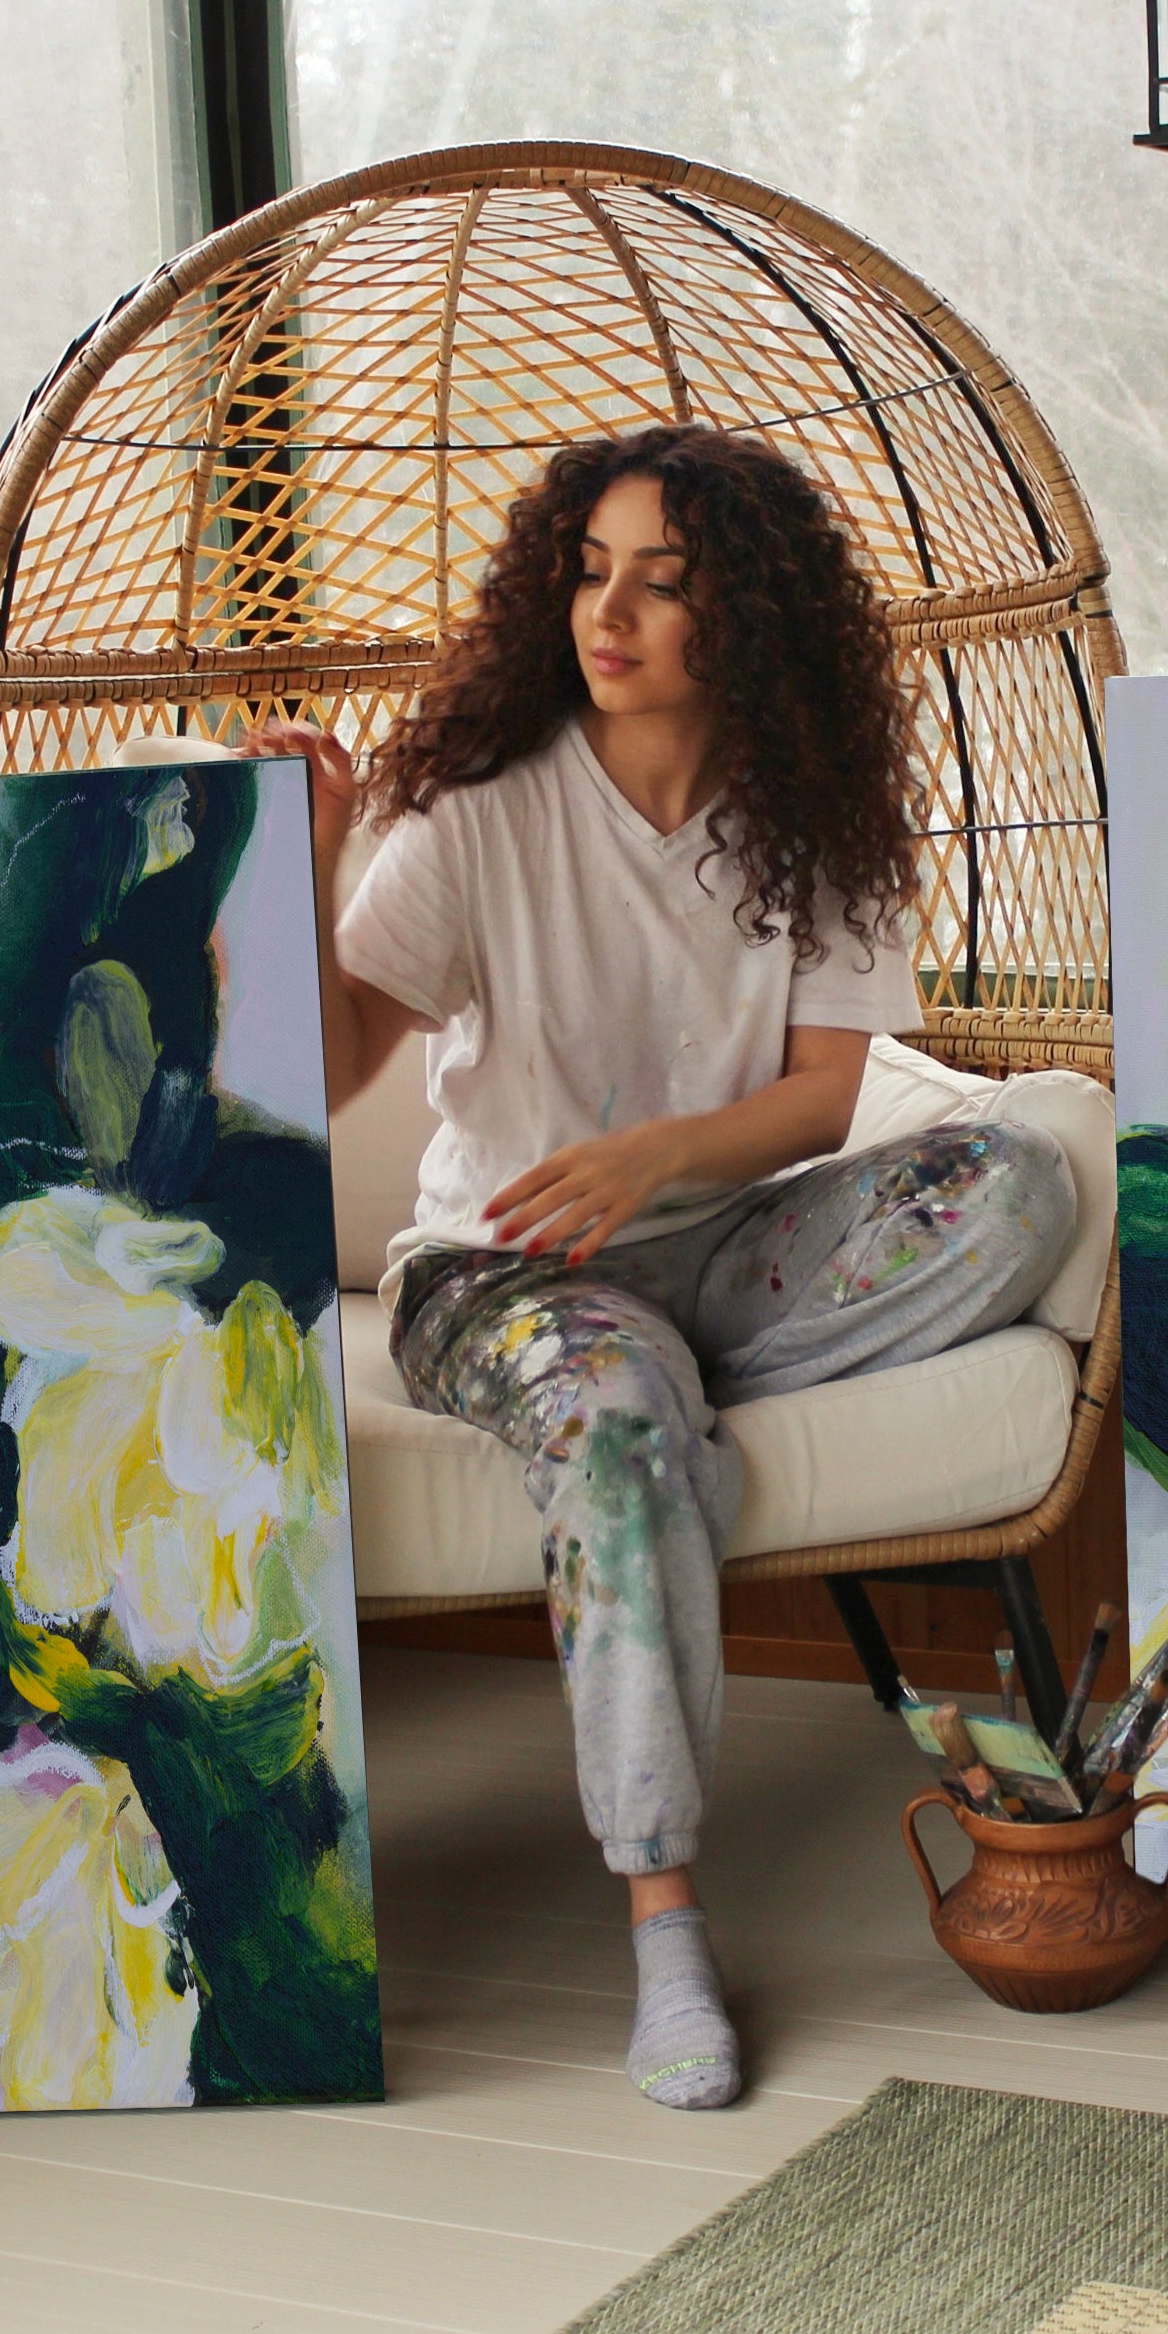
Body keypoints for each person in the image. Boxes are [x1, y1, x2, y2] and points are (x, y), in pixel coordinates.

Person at [252, 424, 1076, 2111]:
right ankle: (667, 1926)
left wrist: (656, 1159)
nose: (607, 613)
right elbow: (332, 1071)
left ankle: (656, 1382)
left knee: (1018, 1186)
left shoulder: (814, 818)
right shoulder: (476, 812)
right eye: (588, 572)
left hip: (719, 1249)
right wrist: (310, 856)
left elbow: (829, 1096)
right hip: (501, 1277)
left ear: (747, 613)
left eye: (660, 581)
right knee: (624, 1433)